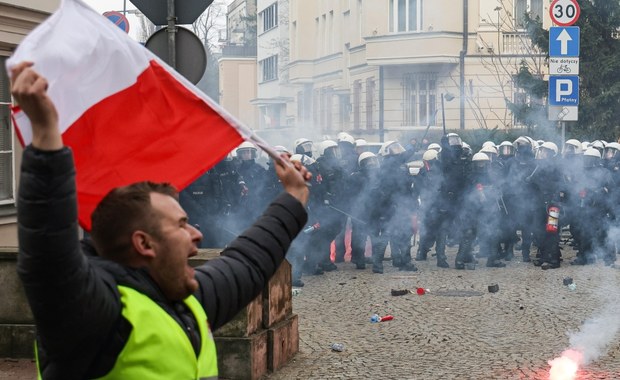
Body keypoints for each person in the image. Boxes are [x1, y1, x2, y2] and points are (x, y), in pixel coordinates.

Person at [11, 62, 311, 379]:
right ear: (144, 243)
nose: (196, 233)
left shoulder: (187, 303)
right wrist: (45, 135)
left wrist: (294, 196)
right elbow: (48, 258)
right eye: (181, 224)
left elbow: (248, 261)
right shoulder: (96, 317)